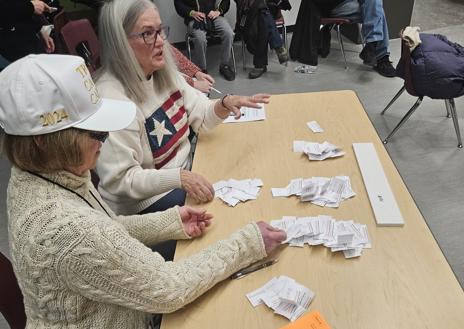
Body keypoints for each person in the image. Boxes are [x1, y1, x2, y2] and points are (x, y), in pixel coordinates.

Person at [0, 53, 286, 329]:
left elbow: (106, 228)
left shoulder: (41, 174)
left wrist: (168, 222)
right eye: (96, 133)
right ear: (43, 141)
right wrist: (247, 242)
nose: (106, 139)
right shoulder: (66, 226)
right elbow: (168, 288)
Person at [95, 0, 269, 215]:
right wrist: (179, 177)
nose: (160, 42)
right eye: (147, 34)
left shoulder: (162, 72)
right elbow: (122, 181)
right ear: (119, 43)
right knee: (231, 212)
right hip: (145, 204)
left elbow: (202, 117)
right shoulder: (111, 101)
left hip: (182, 176)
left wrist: (224, 105)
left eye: (160, 31)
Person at [290, 0, 395, 77]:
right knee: (377, 11)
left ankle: (373, 47)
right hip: (334, 6)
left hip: (354, 3)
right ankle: (379, 54)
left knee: (375, 8)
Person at [174, 0, 236, 81]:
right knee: (200, 38)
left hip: (214, 17)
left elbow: (225, 2)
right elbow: (179, 4)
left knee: (229, 33)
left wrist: (218, 11)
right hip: (195, 18)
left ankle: (224, 65)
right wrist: (192, 13)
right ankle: (202, 70)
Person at [235, 0, 291, 79]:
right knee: (262, 16)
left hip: (269, 8)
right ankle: (278, 46)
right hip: (248, 13)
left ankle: (260, 65)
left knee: (262, 12)